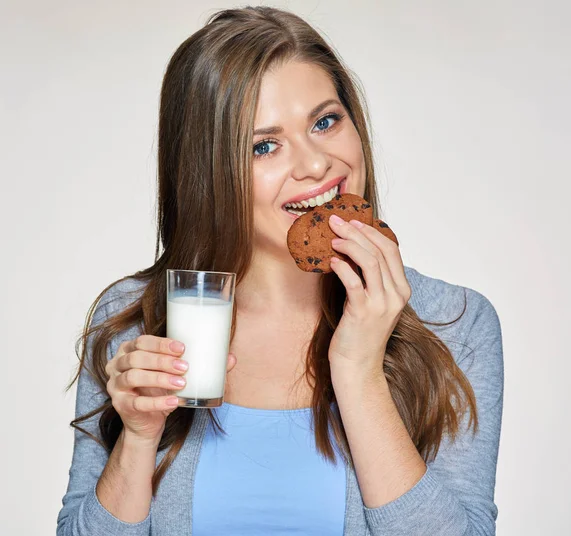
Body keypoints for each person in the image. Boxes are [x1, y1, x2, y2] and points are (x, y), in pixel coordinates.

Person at [57, 5, 504, 536]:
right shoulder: (136, 321)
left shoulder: (453, 323)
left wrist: (360, 373)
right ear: (209, 173)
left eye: (325, 121)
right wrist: (137, 436)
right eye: (263, 146)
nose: (316, 164)